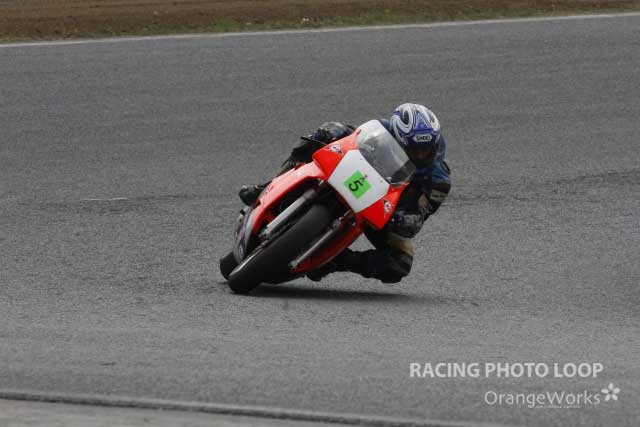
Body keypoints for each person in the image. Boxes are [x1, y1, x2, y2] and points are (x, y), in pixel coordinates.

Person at [238, 103, 451, 283]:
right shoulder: (382, 132)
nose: (420, 154)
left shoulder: (438, 180)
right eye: (413, 149)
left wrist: (405, 219)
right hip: (355, 175)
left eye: (426, 149)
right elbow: (352, 137)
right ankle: (268, 186)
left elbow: (419, 217)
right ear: (397, 136)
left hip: (384, 209)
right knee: (329, 130)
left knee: (400, 264)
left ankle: (335, 261)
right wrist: (331, 134)